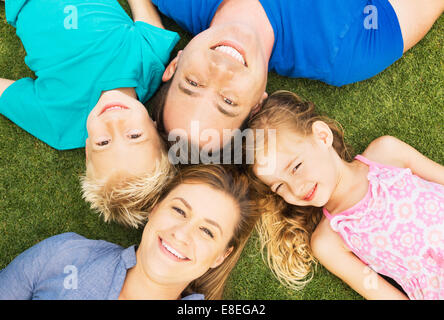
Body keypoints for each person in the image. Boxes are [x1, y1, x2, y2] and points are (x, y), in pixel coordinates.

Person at [148, 0, 443, 150]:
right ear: (256, 104)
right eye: (227, 100)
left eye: (193, 83)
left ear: (176, 64)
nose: (222, 71)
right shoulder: (344, 52)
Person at [247, 90, 444, 300]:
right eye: (279, 186)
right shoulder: (328, 242)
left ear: (322, 136)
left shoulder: (386, 152)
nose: (295, 189)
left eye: (296, 167)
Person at [0, 0, 180, 227]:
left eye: (104, 142)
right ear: (156, 127)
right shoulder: (151, 62)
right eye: (134, 136)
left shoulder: (59, 122)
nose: (114, 123)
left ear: (88, 151)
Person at [0, 164, 259, 300]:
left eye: (206, 231)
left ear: (220, 256)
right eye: (179, 211)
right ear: (154, 208)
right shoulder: (66, 256)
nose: (181, 234)